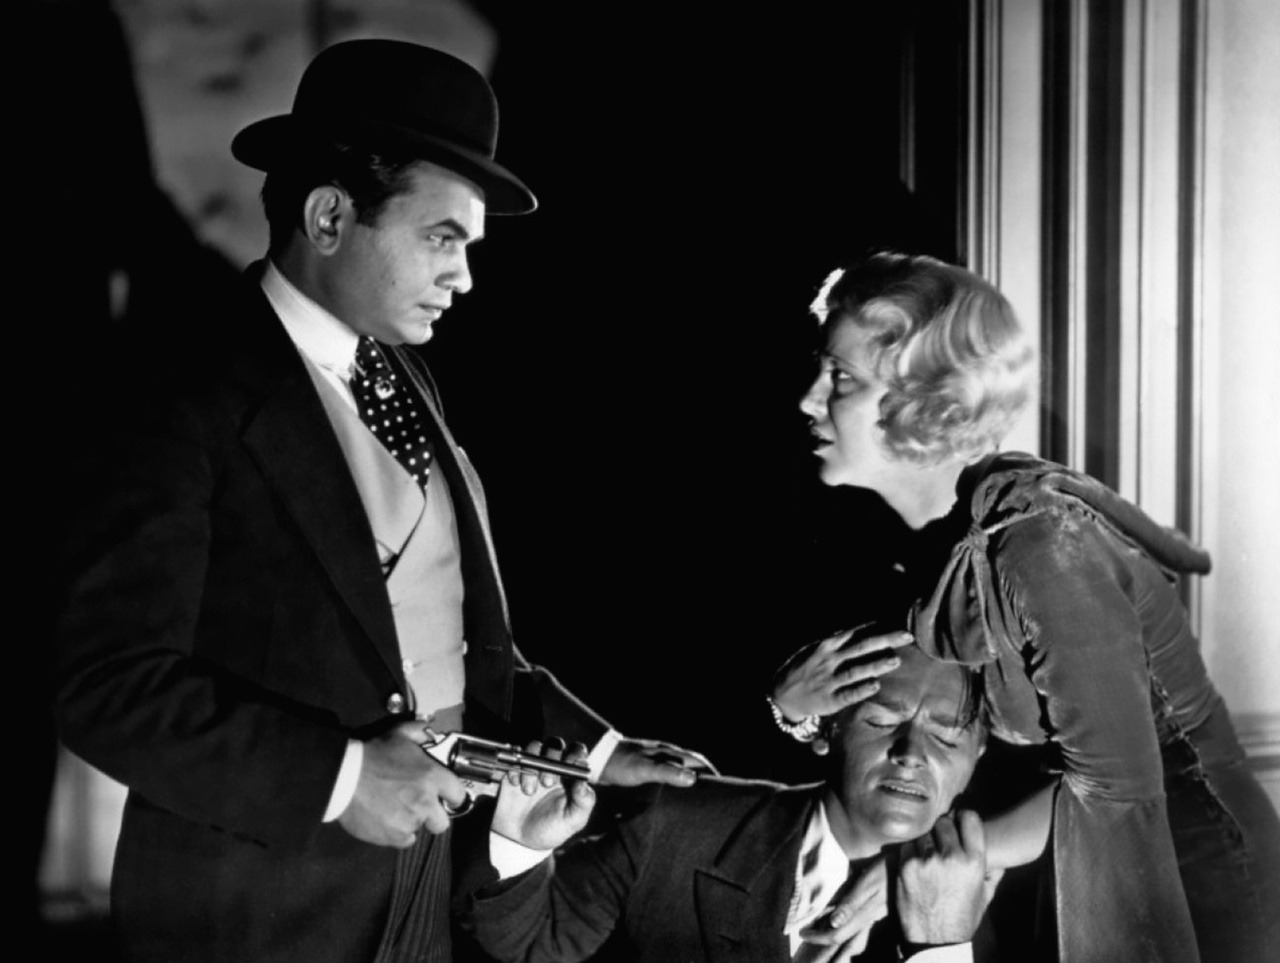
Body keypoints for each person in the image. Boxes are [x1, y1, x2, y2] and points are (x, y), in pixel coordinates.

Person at [52, 39, 703, 963]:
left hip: (420, 901)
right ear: (329, 216)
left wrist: (596, 752)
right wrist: (343, 776)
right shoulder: (177, 390)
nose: (464, 276)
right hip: (249, 919)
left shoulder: (406, 378)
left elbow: (444, 635)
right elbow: (105, 686)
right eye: (442, 237)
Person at [770, 252, 1280, 962]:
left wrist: (928, 866)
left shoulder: (1039, 546)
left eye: (842, 378)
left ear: (927, 402)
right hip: (1080, 843)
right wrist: (792, 709)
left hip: (1195, 861)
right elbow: (909, 706)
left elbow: (1118, 788)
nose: (808, 399)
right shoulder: (938, 542)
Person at [462, 643, 996, 963]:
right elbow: (534, 944)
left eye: (945, 738)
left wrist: (941, 949)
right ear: (825, 730)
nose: (911, 754)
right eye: (880, 721)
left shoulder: (990, 924)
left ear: (978, 757)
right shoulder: (676, 824)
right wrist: (521, 849)